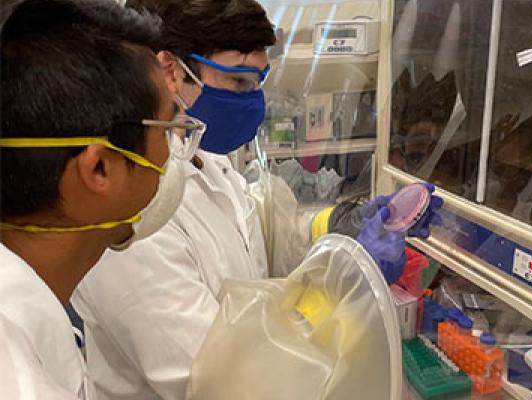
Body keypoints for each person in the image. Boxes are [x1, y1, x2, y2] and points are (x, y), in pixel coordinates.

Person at [72, 1, 442, 399]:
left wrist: (342, 226)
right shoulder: (133, 209)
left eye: (259, 82)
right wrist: (346, 285)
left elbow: (263, 238)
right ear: (171, 70)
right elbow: (223, 376)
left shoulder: (206, 156)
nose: (254, 100)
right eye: (240, 82)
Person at [0, 0, 202, 397]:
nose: (175, 154)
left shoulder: (32, 322)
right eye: (165, 131)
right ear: (99, 169)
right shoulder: (18, 380)